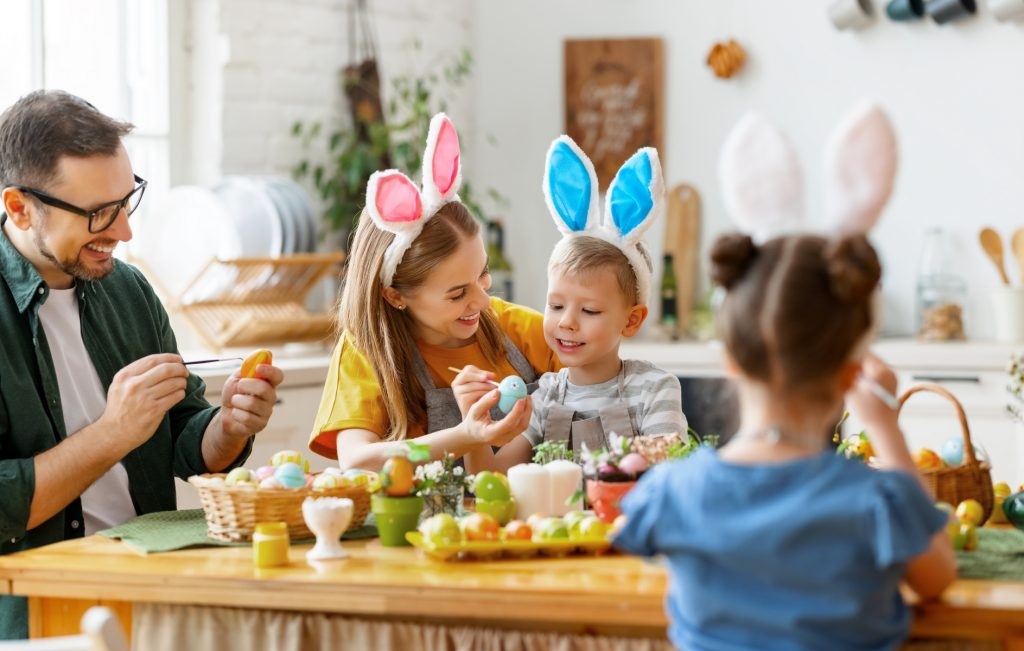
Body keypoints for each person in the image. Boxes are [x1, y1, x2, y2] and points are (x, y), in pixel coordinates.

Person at [0, 90, 284, 639]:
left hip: (154, 590)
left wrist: (228, 426)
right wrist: (113, 433)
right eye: (98, 213)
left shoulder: (127, 289)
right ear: (19, 207)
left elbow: (183, 438)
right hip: (42, 615)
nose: (124, 232)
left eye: (126, 201)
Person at [615, 232, 957, 650]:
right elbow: (937, 577)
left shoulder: (671, 492)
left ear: (731, 360)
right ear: (851, 376)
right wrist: (885, 427)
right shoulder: (877, 501)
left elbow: (630, 541)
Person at [308, 113, 559, 470]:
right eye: (457, 294)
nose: (482, 301)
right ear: (395, 296)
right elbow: (359, 462)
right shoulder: (367, 350)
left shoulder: (518, 329)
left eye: (483, 274)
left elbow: (602, 384)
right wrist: (466, 436)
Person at [463, 137, 687, 473]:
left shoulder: (654, 389)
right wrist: (473, 428)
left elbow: (669, 473)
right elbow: (493, 479)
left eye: (589, 310)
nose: (566, 322)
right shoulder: (544, 397)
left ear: (631, 320)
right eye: (556, 306)